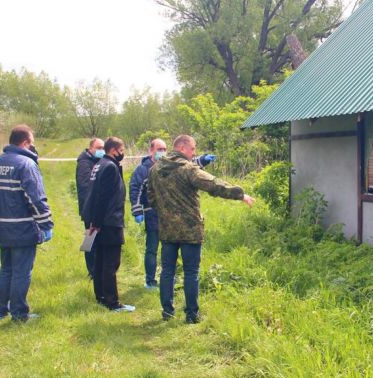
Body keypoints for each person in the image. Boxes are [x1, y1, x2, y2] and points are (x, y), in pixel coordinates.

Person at [147, 135, 254, 323]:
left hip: (167, 230)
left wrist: (166, 214)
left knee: (167, 271)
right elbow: (213, 184)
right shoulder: (188, 169)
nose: (194, 153)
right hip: (190, 230)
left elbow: (152, 198)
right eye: (192, 149)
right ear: (182, 147)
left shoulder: (155, 170)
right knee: (191, 272)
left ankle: (167, 312)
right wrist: (239, 194)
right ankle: (191, 315)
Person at [0, 125, 53, 322]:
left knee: (6, 269)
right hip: (22, 228)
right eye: (32, 143)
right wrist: (46, 225)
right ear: (25, 143)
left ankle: (0, 310)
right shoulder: (26, 165)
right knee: (22, 271)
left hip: (0, 227)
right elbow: (36, 198)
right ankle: (20, 313)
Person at [129, 138, 216, 290]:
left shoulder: (168, 164)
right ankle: (150, 280)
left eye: (164, 149)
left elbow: (188, 165)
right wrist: (137, 210)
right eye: (159, 149)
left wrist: (203, 159)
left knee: (168, 250)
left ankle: (169, 278)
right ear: (151, 151)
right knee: (152, 247)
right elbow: (135, 189)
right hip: (152, 213)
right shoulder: (144, 169)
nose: (162, 152)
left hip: (169, 217)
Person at [81, 137, 135, 312]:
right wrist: (96, 222)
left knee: (101, 261)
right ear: (114, 150)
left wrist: (93, 221)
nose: (123, 153)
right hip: (109, 221)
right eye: (122, 150)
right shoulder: (110, 167)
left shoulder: (99, 164)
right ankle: (112, 302)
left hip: (101, 221)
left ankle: (101, 296)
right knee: (111, 262)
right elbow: (102, 197)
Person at [76, 137, 105, 278]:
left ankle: (97, 269)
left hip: (96, 208)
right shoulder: (84, 163)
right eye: (98, 148)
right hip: (89, 208)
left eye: (103, 148)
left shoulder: (97, 162)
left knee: (97, 240)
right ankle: (92, 271)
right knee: (90, 239)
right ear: (90, 148)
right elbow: (85, 186)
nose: (101, 151)